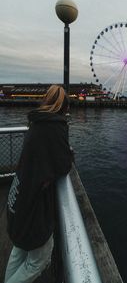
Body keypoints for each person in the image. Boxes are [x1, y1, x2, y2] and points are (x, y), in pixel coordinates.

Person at [4, 85, 74, 283]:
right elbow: (63, 165)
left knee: (19, 248)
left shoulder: (36, 122)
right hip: (34, 204)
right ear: (63, 107)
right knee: (39, 260)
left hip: (18, 197)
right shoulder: (55, 126)